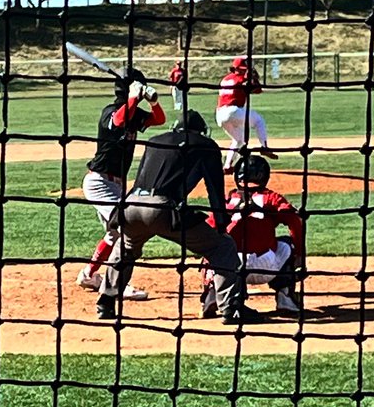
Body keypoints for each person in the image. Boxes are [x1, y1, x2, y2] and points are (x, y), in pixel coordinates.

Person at [97, 110, 268, 326]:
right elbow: (214, 189)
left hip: (131, 207)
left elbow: (141, 179)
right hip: (163, 208)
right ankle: (231, 309)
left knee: (126, 248)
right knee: (222, 248)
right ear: (200, 131)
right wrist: (222, 225)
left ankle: (106, 301)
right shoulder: (205, 144)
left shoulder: (155, 141)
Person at [75, 67, 167, 299]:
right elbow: (118, 122)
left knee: (114, 234)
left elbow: (159, 119)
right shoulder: (111, 111)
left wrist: (153, 101)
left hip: (116, 184)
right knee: (127, 227)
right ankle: (117, 284)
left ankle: (89, 274)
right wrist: (133, 98)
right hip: (99, 182)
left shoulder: (135, 114)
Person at [200, 155, 304, 317]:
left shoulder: (227, 200)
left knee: (214, 249)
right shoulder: (271, 197)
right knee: (287, 244)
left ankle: (212, 295)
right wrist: (299, 253)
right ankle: (285, 298)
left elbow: (208, 229)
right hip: (267, 266)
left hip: (231, 268)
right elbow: (295, 221)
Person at [215, 55, 275, 172]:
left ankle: (227, 165)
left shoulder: (226, 79)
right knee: (259, 120)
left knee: (239, 140)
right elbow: (258, 90)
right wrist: (254, 80)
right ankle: (265, 147)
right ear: (237, 68)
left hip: (220, 114)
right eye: (243, 68)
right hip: (233, 110)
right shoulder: (241, 79)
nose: (245, 70)